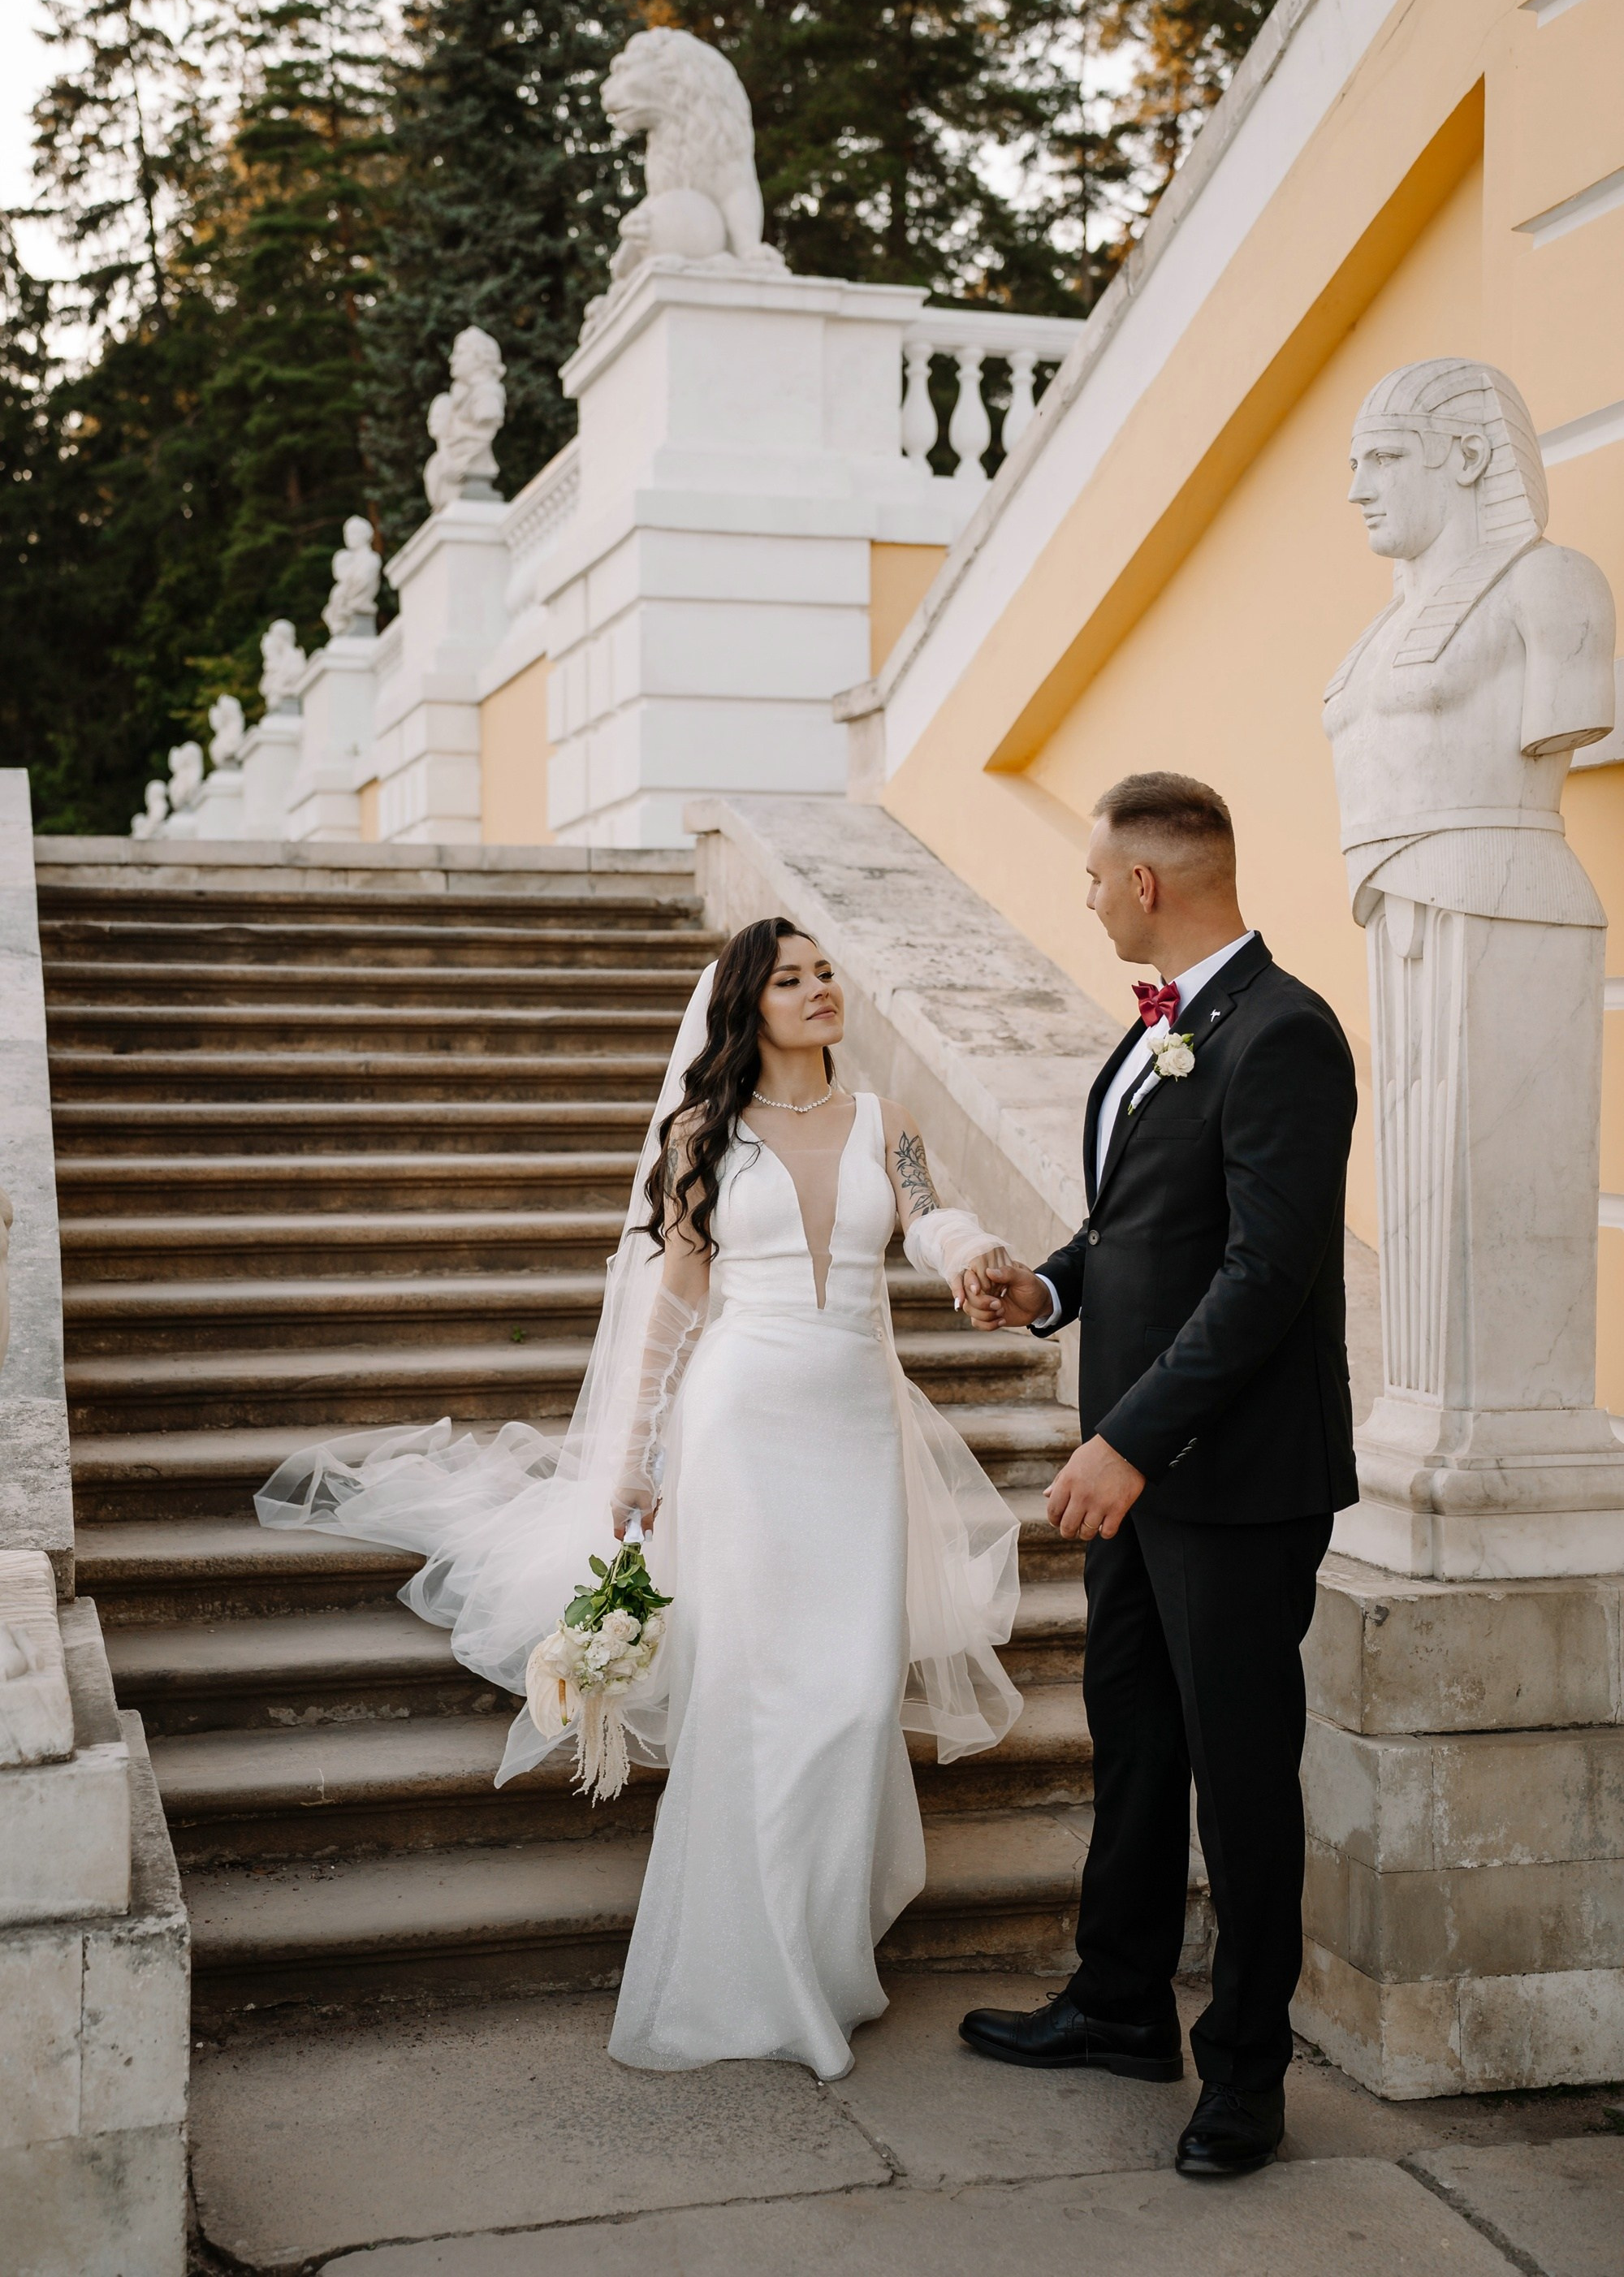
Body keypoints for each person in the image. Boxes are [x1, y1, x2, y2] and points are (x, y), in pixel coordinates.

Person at [255, 917, 1022, 2079]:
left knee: (860, 1697)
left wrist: (972, 1254)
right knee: (755, 1697)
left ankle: (817, 1948)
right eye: (792, 980)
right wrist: (633, 1455)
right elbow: (672, 1301)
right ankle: (753, 1977)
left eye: (827, 975)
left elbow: (928, 1218)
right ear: (746, 1008)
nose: (820, 992)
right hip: (742, 1428)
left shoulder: (889, 1125)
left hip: (856, 1427)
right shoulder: (703, 1134)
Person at [957, 772, 1357, 2180]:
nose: (1081, 892)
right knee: (1133, 1738)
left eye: (1092, 873)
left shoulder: (1285, 1034)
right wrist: (1047, 1292)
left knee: (1240, 1779)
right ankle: (1118, 2002)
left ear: (1147, 883)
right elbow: (1140, 1229)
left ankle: (1247, 2075)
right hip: (1136, 1460)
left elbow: (1265, 1276)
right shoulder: (1163, 1035)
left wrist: (1128, 1440)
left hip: (1234, 1480)